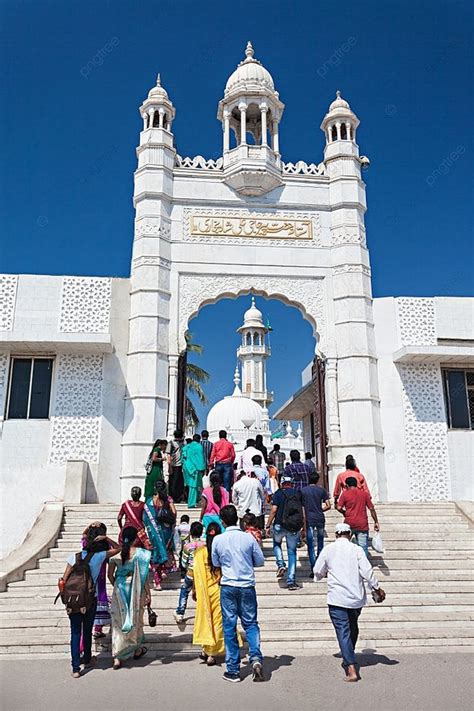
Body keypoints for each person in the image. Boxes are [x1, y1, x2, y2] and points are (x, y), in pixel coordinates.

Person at [313, 523, 385, 682]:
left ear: (336, 534)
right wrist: (377, 588)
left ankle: (351, 668)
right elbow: (367, 571)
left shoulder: (329, 549)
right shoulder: (357, 549)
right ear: (350, 534)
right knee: (353, 628)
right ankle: (349, 654)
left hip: (337, 598)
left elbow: (317, 570)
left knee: (343, 631)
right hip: (356, 599)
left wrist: (323, 574)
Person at [212, 504, 265, 682]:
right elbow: (259, 561)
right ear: (238, 519)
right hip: (247, 585)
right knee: (251, 623)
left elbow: (215, 562)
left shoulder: (218, 539)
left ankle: (233, 669)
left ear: (222, 521)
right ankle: (256, 658)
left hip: (228, 585)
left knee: (229, 626)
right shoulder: (249, 538)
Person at [62, 524, 120, 678]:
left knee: (75, 632)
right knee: (87, 630)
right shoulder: (99, 556)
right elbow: (118, 548)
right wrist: (107, 538)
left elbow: (64, 579)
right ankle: (87, 659)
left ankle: (75, 668)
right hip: (90, 599)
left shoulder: (74, 557)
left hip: (73, 600)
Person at [193, 522, 240, 666]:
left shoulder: (199, 553)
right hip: (220, 589)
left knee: (207, 622)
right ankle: (212, 653)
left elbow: (193, 573)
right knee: (219, 623)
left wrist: (194, 589)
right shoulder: (223, 551)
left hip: (205, 592)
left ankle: (207, 651)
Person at [108, 526, 152, 669]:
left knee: (117, 621)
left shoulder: (115, 555)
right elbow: (144, 577)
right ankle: (136, 649)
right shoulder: (141, 554)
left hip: (120, 588)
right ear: (135, 538)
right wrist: (148, 593)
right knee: (136, 618)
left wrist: (117, 585)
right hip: (136, 588)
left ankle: (117, 656)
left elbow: (110, 575)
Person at [266, 474, 305, 590]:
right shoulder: (298, 493)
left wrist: (268, 525)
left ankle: (281, 564)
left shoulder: (278, 493)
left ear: (282, 483)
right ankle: (291, 581)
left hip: (279, 525)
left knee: (277, 544)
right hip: (293, 526)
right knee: (292, 552)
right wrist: (304, 526)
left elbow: (273, 510)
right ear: (292, 483)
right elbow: (302, 511)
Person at [143, 480, 177, 590]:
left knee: (156, 553)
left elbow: (145, 518)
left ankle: (157, 582)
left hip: (154, 531)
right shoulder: (168, 499)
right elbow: (174, 512)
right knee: (164, 550)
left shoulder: (149, 501)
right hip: (166, 530)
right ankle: (163, 570)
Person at [336, 477, 379, 558]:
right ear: (356, 484)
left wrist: (344, 512)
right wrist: (376, 521)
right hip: (362, 524)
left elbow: (338, 507)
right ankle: (363, 566)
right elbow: (371, 509)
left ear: (347, 485)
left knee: (345, 545)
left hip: (349, 523)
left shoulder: (345, 494)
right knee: (363, 547)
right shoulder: (364, 494)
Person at [175, 521, 205, 623]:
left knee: (184, 591)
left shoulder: (187, 546)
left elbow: (184, 563)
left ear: (191, 533)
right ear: (201, 532)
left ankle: (180, 613)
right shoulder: (204, 545)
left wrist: (188, 567)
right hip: (202, 574)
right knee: (202, 594)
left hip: (191, 573)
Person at [301, 473, 331, 577]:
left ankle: (314, 567)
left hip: (309, 518)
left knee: (310, 544)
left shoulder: (303, 491)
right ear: (317, 480)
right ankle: (321, 566)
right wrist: (320, 509)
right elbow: (328, 505)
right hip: (320, 518)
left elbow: (302, 507)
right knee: (320, 542)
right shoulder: (321, 490)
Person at [182, 433, 206, 508]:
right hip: (195, 469)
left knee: (194, 485)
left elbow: (183, 457)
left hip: (188, 468)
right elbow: (200, 458)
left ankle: (198, 499)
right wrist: (203, 468)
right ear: (199, 439)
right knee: (194, 486)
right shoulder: (199, 446)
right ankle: (191, 503)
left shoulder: (186, 447)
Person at [166, 429, 185, 503]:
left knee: (180, 482)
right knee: (173, 482)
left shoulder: (183, 443)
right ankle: (173, 497)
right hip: (174, 465)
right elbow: (168, 455)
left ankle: (179, 498)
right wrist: (169, 466)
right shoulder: (171, 443)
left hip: (181, 465)